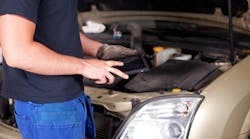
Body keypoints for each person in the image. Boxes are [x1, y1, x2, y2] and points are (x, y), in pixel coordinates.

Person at [0, 0, 136, 139]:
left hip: (68, 98)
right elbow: (18, 53)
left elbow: (57, 28)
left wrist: (101, 50)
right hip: (47, 107)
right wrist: (85, 66)